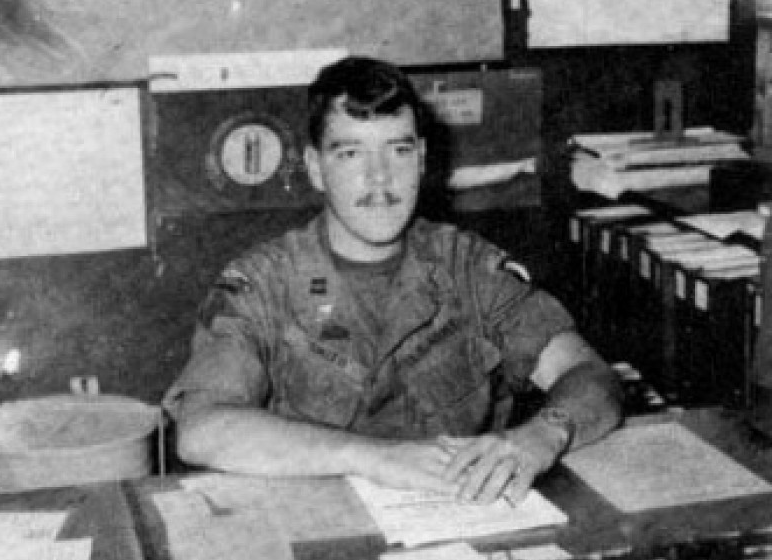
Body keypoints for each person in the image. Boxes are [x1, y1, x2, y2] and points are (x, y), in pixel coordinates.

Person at [163, 55, 623, 504]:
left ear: (421, 159)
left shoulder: (467, 266)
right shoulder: (264, 282)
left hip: (458, 517)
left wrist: (543, 434)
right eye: (351, 153)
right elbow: (202, 427)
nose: (379, 177)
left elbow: (590, 375)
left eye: (398, 150)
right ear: (316, 168)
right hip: (321, 526)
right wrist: (373, 458)